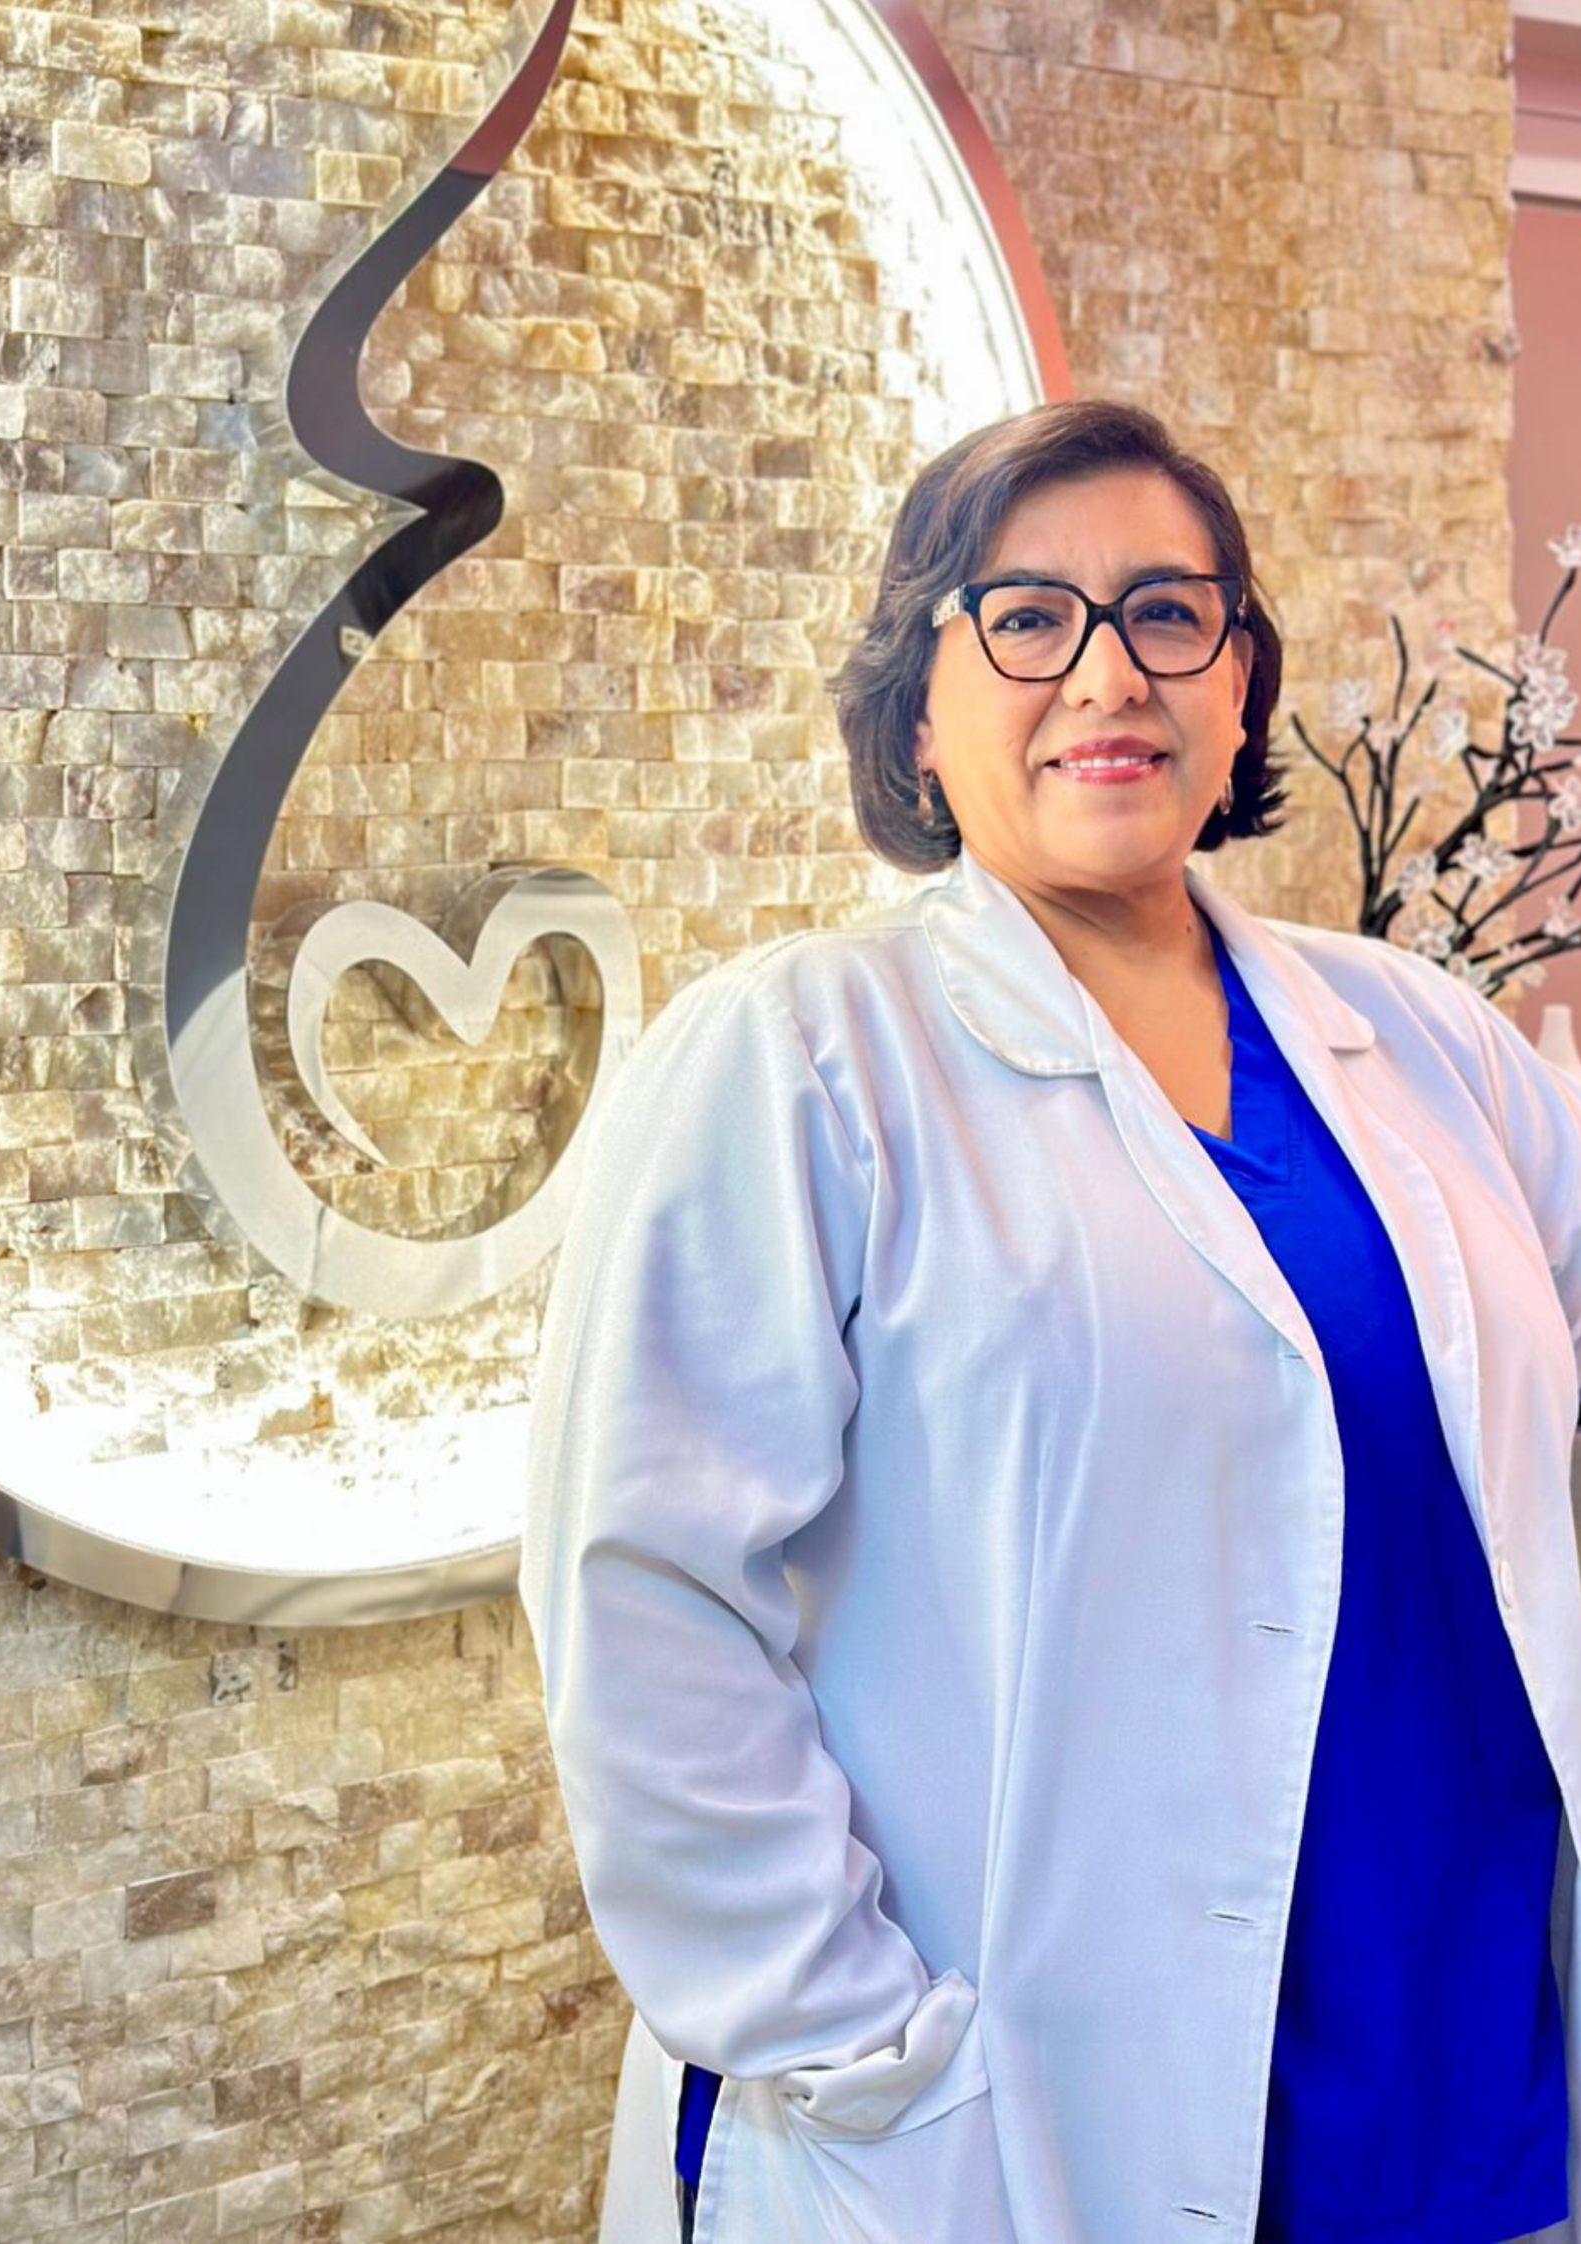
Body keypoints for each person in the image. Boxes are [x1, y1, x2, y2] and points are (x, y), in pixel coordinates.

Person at [518, 398, 1581, 2244]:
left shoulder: (1425, 1041)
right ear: (919, 714)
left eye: (1170, 613)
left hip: (1464, 2059)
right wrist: (851, 2040)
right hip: (1020, 2107)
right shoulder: (803, 1057)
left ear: (1237, 686)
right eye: (1027, 617)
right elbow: (645, 1601)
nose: (1110, 672)